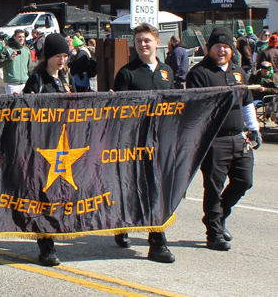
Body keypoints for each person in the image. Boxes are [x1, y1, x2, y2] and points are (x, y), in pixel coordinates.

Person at [186, 26, 261, 251]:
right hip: (213, 140)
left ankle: (219, 217)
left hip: (239, 138)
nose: (222, 50)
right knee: (213, 186)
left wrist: (254, 128)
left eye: (226, 46)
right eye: (218, 46)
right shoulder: (199, 73)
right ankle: (214, 234)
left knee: (244, 181)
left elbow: (247, 103)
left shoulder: (239, 72)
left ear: (232, 49)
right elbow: (197, 108)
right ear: (209, 48)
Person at [112, 23, 175, 263]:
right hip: (134, 142)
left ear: (157, 43)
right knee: (132, 187)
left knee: (157, 190)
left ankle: (156, 241)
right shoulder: (127, 73)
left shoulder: (167, 71)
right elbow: (117, 111)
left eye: (147, 40)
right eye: (138, 41)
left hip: (161, 141)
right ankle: (127, 228)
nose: (143, 44)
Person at [23, 33, 75, 266]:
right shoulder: (38, 79)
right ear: (48, 57)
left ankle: (55, 234)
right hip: (43, 147)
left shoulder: (65, 78)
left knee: (60, 196)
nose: (62, 60)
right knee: (44, 197)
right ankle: (46, 246)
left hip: (63, 146)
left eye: (65, 56)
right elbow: (24, 109)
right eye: (58, 56)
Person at [0, 28, 32, 94]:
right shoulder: (7, 49)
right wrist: (10, 58)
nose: (21, 38)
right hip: (12, 84)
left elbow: (30, 67)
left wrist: (32, 82)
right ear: (14, 37)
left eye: (23, 37)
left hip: (25, 83)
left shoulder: (27, 50)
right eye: (19, 37)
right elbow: (0, 64)